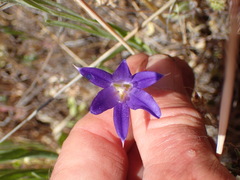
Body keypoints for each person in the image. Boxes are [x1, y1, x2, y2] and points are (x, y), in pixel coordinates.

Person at [50, 54, 234, 180]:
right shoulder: (111, 101)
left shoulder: (131, 77)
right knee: (122, 132)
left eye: (123, 87)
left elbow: (130, 71)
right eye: (118, 89)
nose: (121, 90)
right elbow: (97, 107)